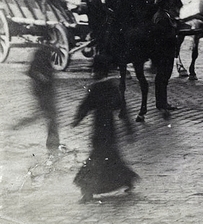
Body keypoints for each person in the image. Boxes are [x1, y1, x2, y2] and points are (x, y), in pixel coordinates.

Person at [72, 73, 138, 201]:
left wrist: (78, 119)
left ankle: (87, 190)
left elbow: (85, 105)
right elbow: (123, 109)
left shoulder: (96, 88)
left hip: (99, 127)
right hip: (110, 128)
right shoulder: (112, 88)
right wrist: (129, 129)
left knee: (97, 159)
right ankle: (127, 179)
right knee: (111, 157)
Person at [11, 45, 59, 151]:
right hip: (42, 92)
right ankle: (53, 143)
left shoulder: (44, 55)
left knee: (48, 116)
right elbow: (31, 72)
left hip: (46, 91)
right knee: (47, 116)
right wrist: (42, 78)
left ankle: (53, 142)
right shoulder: (40, 55)